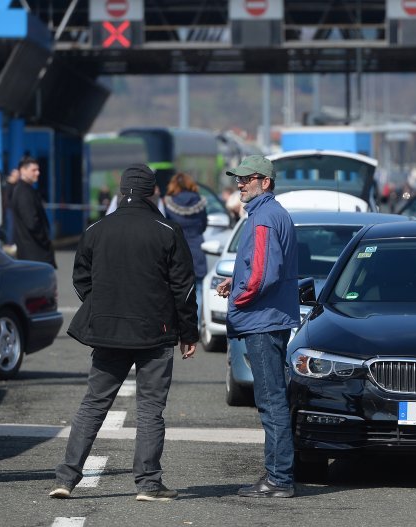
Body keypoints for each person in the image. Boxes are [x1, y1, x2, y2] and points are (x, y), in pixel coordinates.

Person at [49, 163, 199, 501]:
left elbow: (80, 279)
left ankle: (65, 478)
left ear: (121, 191)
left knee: (93, 404)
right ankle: (148, 483)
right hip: (155, 332)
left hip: (107, 330)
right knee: (150, 409)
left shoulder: (96, 229)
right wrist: (188, 332)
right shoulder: (167, 230)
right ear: (153, 192)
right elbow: (184, 288)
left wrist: (101, 306)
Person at [216, 155, 299, 498]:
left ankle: (279, 479)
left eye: (246, 179)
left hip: (262, 321)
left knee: (270, 400)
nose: (240, 184)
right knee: (273, 398)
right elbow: (260, 268)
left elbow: (264, 274)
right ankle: (278, 474)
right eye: (237, 179)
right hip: (271, 318)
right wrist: (234, 282)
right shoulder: (271, 214)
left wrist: (238, 298)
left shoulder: (263, 217)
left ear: (265, 182)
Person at [163, 172, 208, 326]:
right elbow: (203, 225)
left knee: (175, 287)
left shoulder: (168, 203)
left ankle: (176, 324)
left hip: (176, 249)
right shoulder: (199, 202)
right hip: (197, 247)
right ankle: (194, 325)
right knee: (199, 288)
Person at [11, 157, 56, 268]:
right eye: (34, 170)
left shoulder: (28, 190)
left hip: (34, 253)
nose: (38, 173)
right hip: (34, 254)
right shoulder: (23, 192)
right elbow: (32, 222)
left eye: (38, 170)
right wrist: (45, 240)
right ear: (23, 170)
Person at [1, 167, 19, 246]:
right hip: (10, 209)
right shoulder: (9, 184)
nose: (18, 177)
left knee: (13, 226)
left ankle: (12, 242)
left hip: (12, 208)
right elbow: (7, 198)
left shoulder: (15, 184)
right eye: (17, 175)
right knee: (11, 226)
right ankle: (10, 243)